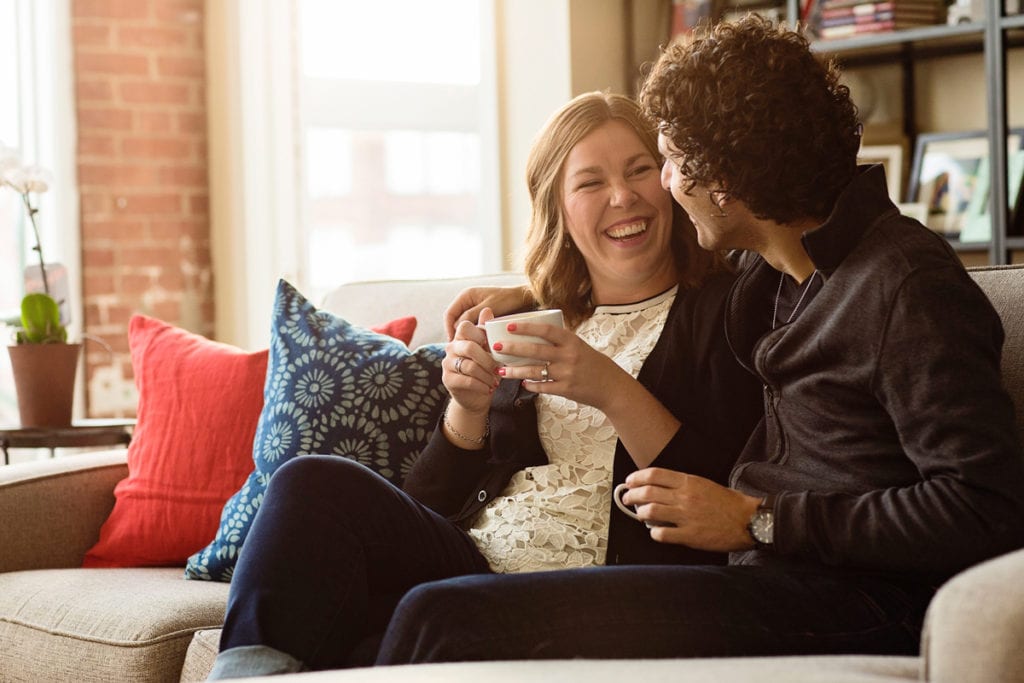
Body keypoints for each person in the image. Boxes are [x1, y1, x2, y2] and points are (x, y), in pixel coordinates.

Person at [372, 15, 1024, 664]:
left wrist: (756, 517)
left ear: (728, 179)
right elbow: (635, 275)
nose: (663, 184)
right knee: (432, 603)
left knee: (445, 614)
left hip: (855, 597)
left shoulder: (906, 285)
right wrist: (533, 294)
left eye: (672, 162)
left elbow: (985, 509)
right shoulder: (774, 270)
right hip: (761, 574)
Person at [206, 91, 762, 678]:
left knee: (401, 627)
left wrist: (610, 388)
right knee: (309, 483)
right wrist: (466, 410)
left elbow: (720, 492)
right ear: (560, 209)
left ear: (671, 180)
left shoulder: (724, 310)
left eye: (640, 170)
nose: (622, 196)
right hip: (473, 561)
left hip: (603, 585)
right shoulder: (540, 320)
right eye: (590, 182)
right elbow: (429, 506)